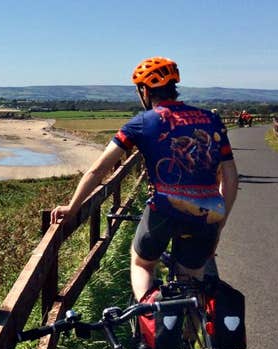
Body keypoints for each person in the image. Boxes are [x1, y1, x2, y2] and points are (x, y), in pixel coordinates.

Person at [51, 57, 238, 308]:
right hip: (208, 213)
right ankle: (194, 338)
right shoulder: (211, 120)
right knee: (192, 278)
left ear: (144, 90)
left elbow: (98, 171)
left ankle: (152, 316)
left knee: (142, 262)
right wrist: (219, 222)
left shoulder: (141, 123)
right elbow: (230, 176)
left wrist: (72, 207)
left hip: (164, 209)